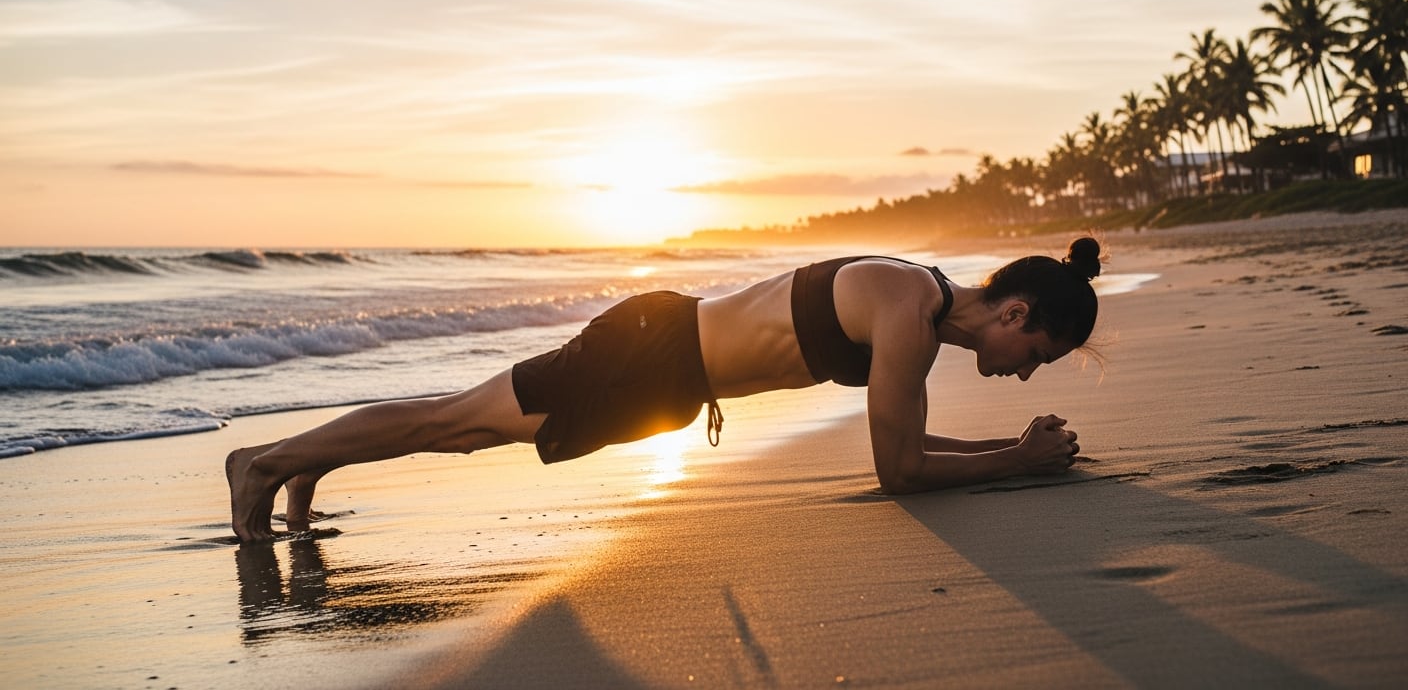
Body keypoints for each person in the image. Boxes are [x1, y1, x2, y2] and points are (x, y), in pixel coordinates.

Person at [227, 237, 1103, 542]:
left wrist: (1010, 453)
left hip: (666, 369)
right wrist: (1017, 459)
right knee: (461, 424)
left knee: (464, 426)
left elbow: (905, 448)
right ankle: (264, 463)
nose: (1026, 371)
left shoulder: (919, 316)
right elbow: (899, 473)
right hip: (648, 353)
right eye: (1039, 354)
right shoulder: (909, 309)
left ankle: (310, 466)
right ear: (1018, 311)